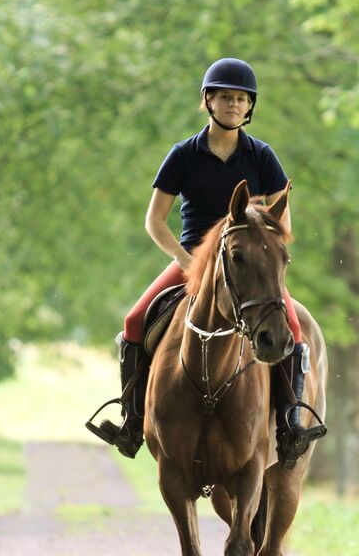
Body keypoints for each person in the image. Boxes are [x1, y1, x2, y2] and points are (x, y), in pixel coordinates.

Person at [86, 57, 327, 466]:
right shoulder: (184, 155)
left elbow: (281, 218)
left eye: (240, 99)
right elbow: (154, 219)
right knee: (133, 322)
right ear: (208, 101)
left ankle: (290, 424)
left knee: (292, 330)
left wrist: (263, 242)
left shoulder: (262, 156)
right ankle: (132, 420)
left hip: (246, 263)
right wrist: (183, 258)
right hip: (193, 258)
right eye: (225, 97)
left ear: (249, 107)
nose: (233, 104)